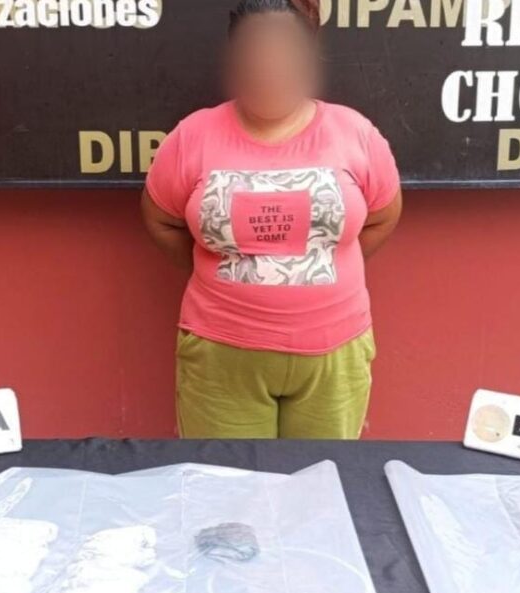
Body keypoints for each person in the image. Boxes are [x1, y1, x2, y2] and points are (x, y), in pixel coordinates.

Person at [141, 0, 402, 440]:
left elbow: (382, 218)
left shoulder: (354, 133)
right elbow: (160, 220)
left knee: (322, 476)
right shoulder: (192, 136)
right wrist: (220, 273)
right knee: (226, 479)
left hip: (334, 353)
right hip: (221, 353)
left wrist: (325, 267)